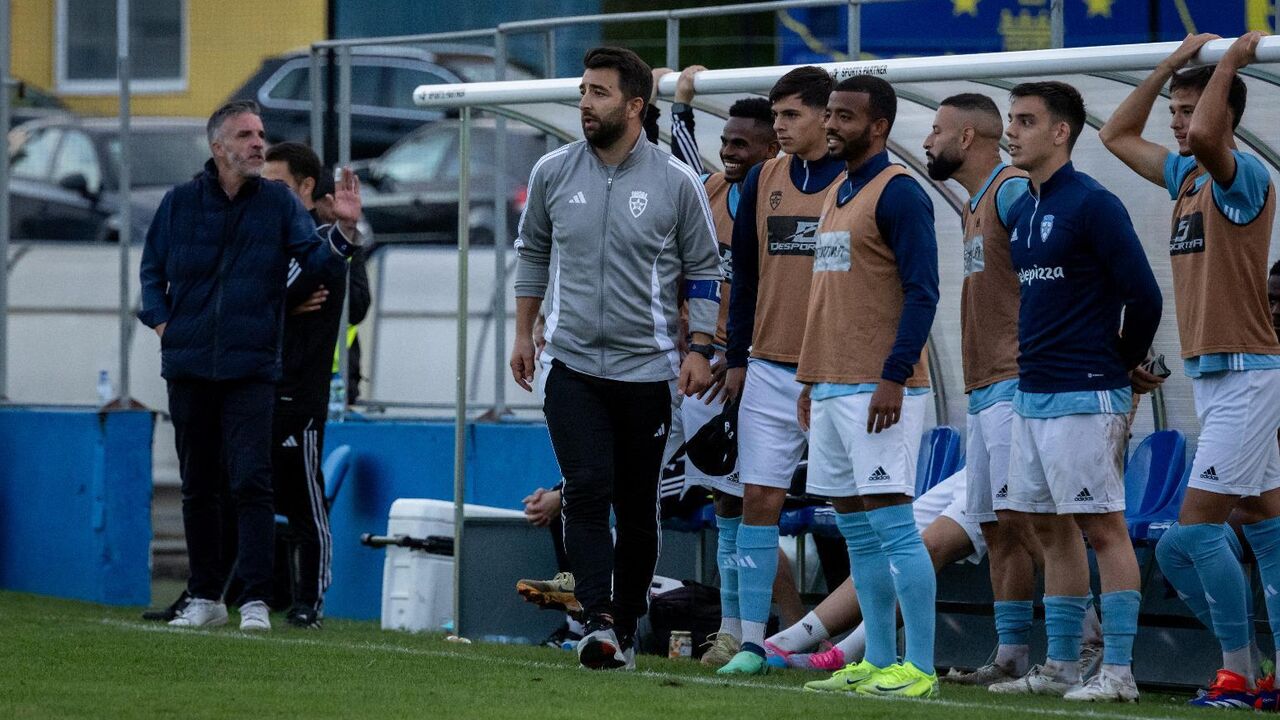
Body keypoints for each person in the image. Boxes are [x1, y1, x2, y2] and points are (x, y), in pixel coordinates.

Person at [509, 46, 720, 671]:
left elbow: (705, 271)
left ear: (635, 105)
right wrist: (524, 334)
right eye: (582, 91)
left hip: (650, 371)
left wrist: (702, 348)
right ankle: (596, 620)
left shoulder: (676, 182)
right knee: (586, 488)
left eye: (598, 93)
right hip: (570, 365)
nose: (583, 104)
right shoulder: (552, 172)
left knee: (635, 501)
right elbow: (533, 256)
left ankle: (624, 627)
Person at [1100, 31, 1280, 709]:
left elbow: (1208, 135)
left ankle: (1238, 671)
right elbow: (1117, 133)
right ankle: (1271, 673)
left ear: (1225, 113)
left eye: (1188, 108)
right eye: (1173, 110)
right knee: (1267, 526)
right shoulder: (1187, 176)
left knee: (1188, 540)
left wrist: (1229, 60)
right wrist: (1175, 64)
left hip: (1248, 373)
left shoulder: (1242, 175)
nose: (1178, 122)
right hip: (1217, 376)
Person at [138, 100, 362, 632]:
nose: (259, 143)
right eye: (246, 135)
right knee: (198, 487)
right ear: (219, 148)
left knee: (251, 484)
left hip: (253, 369)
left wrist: (345, 233)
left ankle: (256, 602)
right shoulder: (179, 203)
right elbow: (151, 272)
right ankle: (205, 597)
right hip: (189, 367)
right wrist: (164, 324)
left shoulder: (278, 205)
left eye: (261, 133)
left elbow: (316, 264)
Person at [988, 81, 1161, 703]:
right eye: (1010, 119)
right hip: (1033, 391)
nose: (1013, 131)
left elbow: (1144, 296)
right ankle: (1061, 664)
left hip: (1085, 392)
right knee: (1043, 523)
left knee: (1102, 526)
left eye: (1026, 121)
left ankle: (1118, 672)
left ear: (1061, 133)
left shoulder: (1093, 203)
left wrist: (1117, 363)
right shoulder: (1024, 209)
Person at [791, 74, 940, 699]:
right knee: (855, 529)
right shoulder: (838, 191)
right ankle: (877, 660)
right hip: (831, 385)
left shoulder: (900, 193)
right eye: (829, 114)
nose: (830, 125)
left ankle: (921, 669)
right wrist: (808, 376)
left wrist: (893, 376)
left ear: (878, 126)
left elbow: (923, 292)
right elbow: (829, 297)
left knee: (894, 525)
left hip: (880, 389)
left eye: (844, 117)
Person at [717, 66, 844, 676]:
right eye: (777, 116)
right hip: (767, 367)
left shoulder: (857, 178)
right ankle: (748, 640)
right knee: (757, 499)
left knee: (862, 508)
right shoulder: (766, 176)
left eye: (791, 115)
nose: (781, 127)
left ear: (826, 115)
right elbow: (743, 280)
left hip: (838, 370)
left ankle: (865, 646)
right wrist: (737, 358)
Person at [922, 93, 1045, 686]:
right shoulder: (976, 202)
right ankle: (1011, 654)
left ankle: (1089, 641)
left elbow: (1057, 271)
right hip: (982, 386)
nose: (927, 141)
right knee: (997, 527)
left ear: (967, 138)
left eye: (937, 130)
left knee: (1027, 522)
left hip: (1017, 380)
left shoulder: (1013, 190)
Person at [259, 141, 370, 628]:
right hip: (251, 389)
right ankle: (239, 592)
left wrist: (346, 231)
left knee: (306, 502)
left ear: (306, 189)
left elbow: (324, 288)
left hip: (299, 391)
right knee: (241, 496)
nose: (269, 195)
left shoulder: (318, 239)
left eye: (280, 186)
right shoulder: (260, 235)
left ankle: (309, 601)